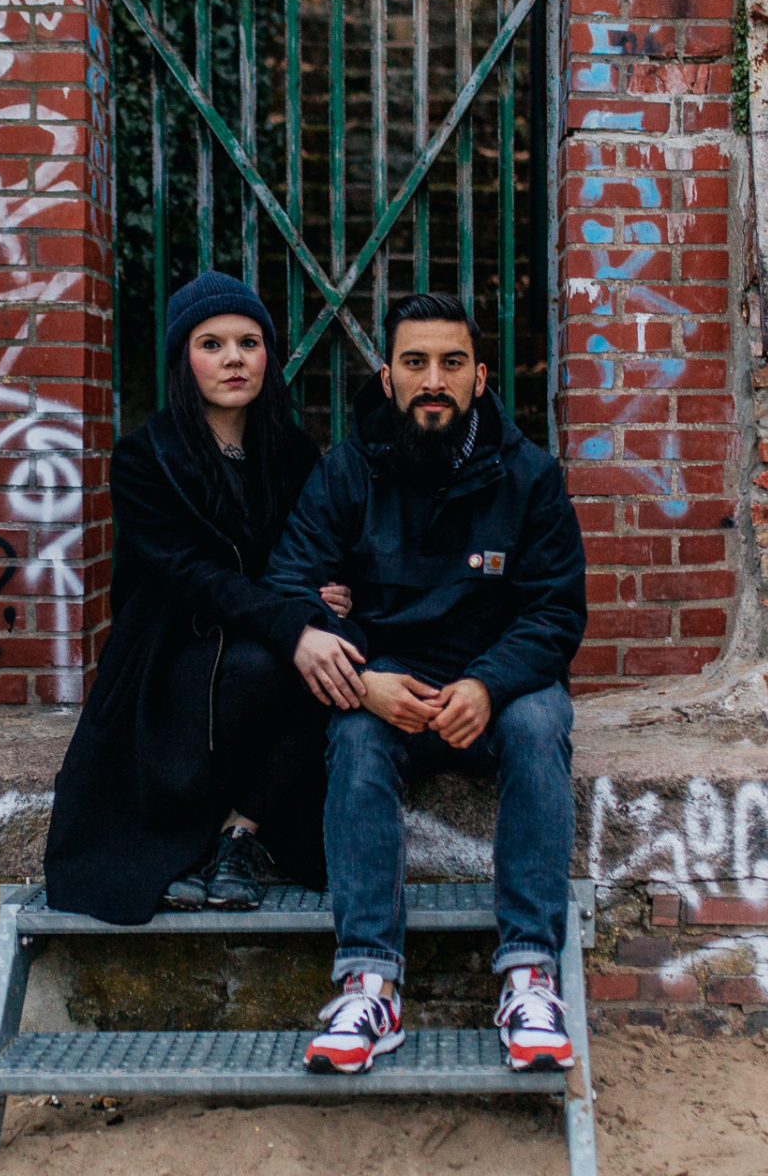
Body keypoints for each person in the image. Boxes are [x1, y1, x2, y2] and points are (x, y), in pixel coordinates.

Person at [261, 291, 587, 1075]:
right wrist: (363, 675)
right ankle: (370, 983)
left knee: (543, 726)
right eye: (415, 363)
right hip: (389, 686)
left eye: (450, 363)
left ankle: (529, 976)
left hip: (499, 690)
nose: (432, 380)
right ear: (387, 377)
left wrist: (487, 684)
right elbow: (287, 584)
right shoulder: (346, 472)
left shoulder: (531, 476)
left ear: (480, 376)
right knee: (352, 735)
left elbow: (555, 610)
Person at [43, 271, 351, 923]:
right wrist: (295, 623)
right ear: (185, 357)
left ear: (268, 353)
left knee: (341, 656)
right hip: (168, 648)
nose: (234, 358)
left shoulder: (294, 455)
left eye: (249, 342)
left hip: (261, 631)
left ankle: (242, 832)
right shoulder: (142, 457)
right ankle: (182, 843)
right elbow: (190, 574)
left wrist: (328, 593)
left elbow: (314, 547)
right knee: (274, 662)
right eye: (212, 343)